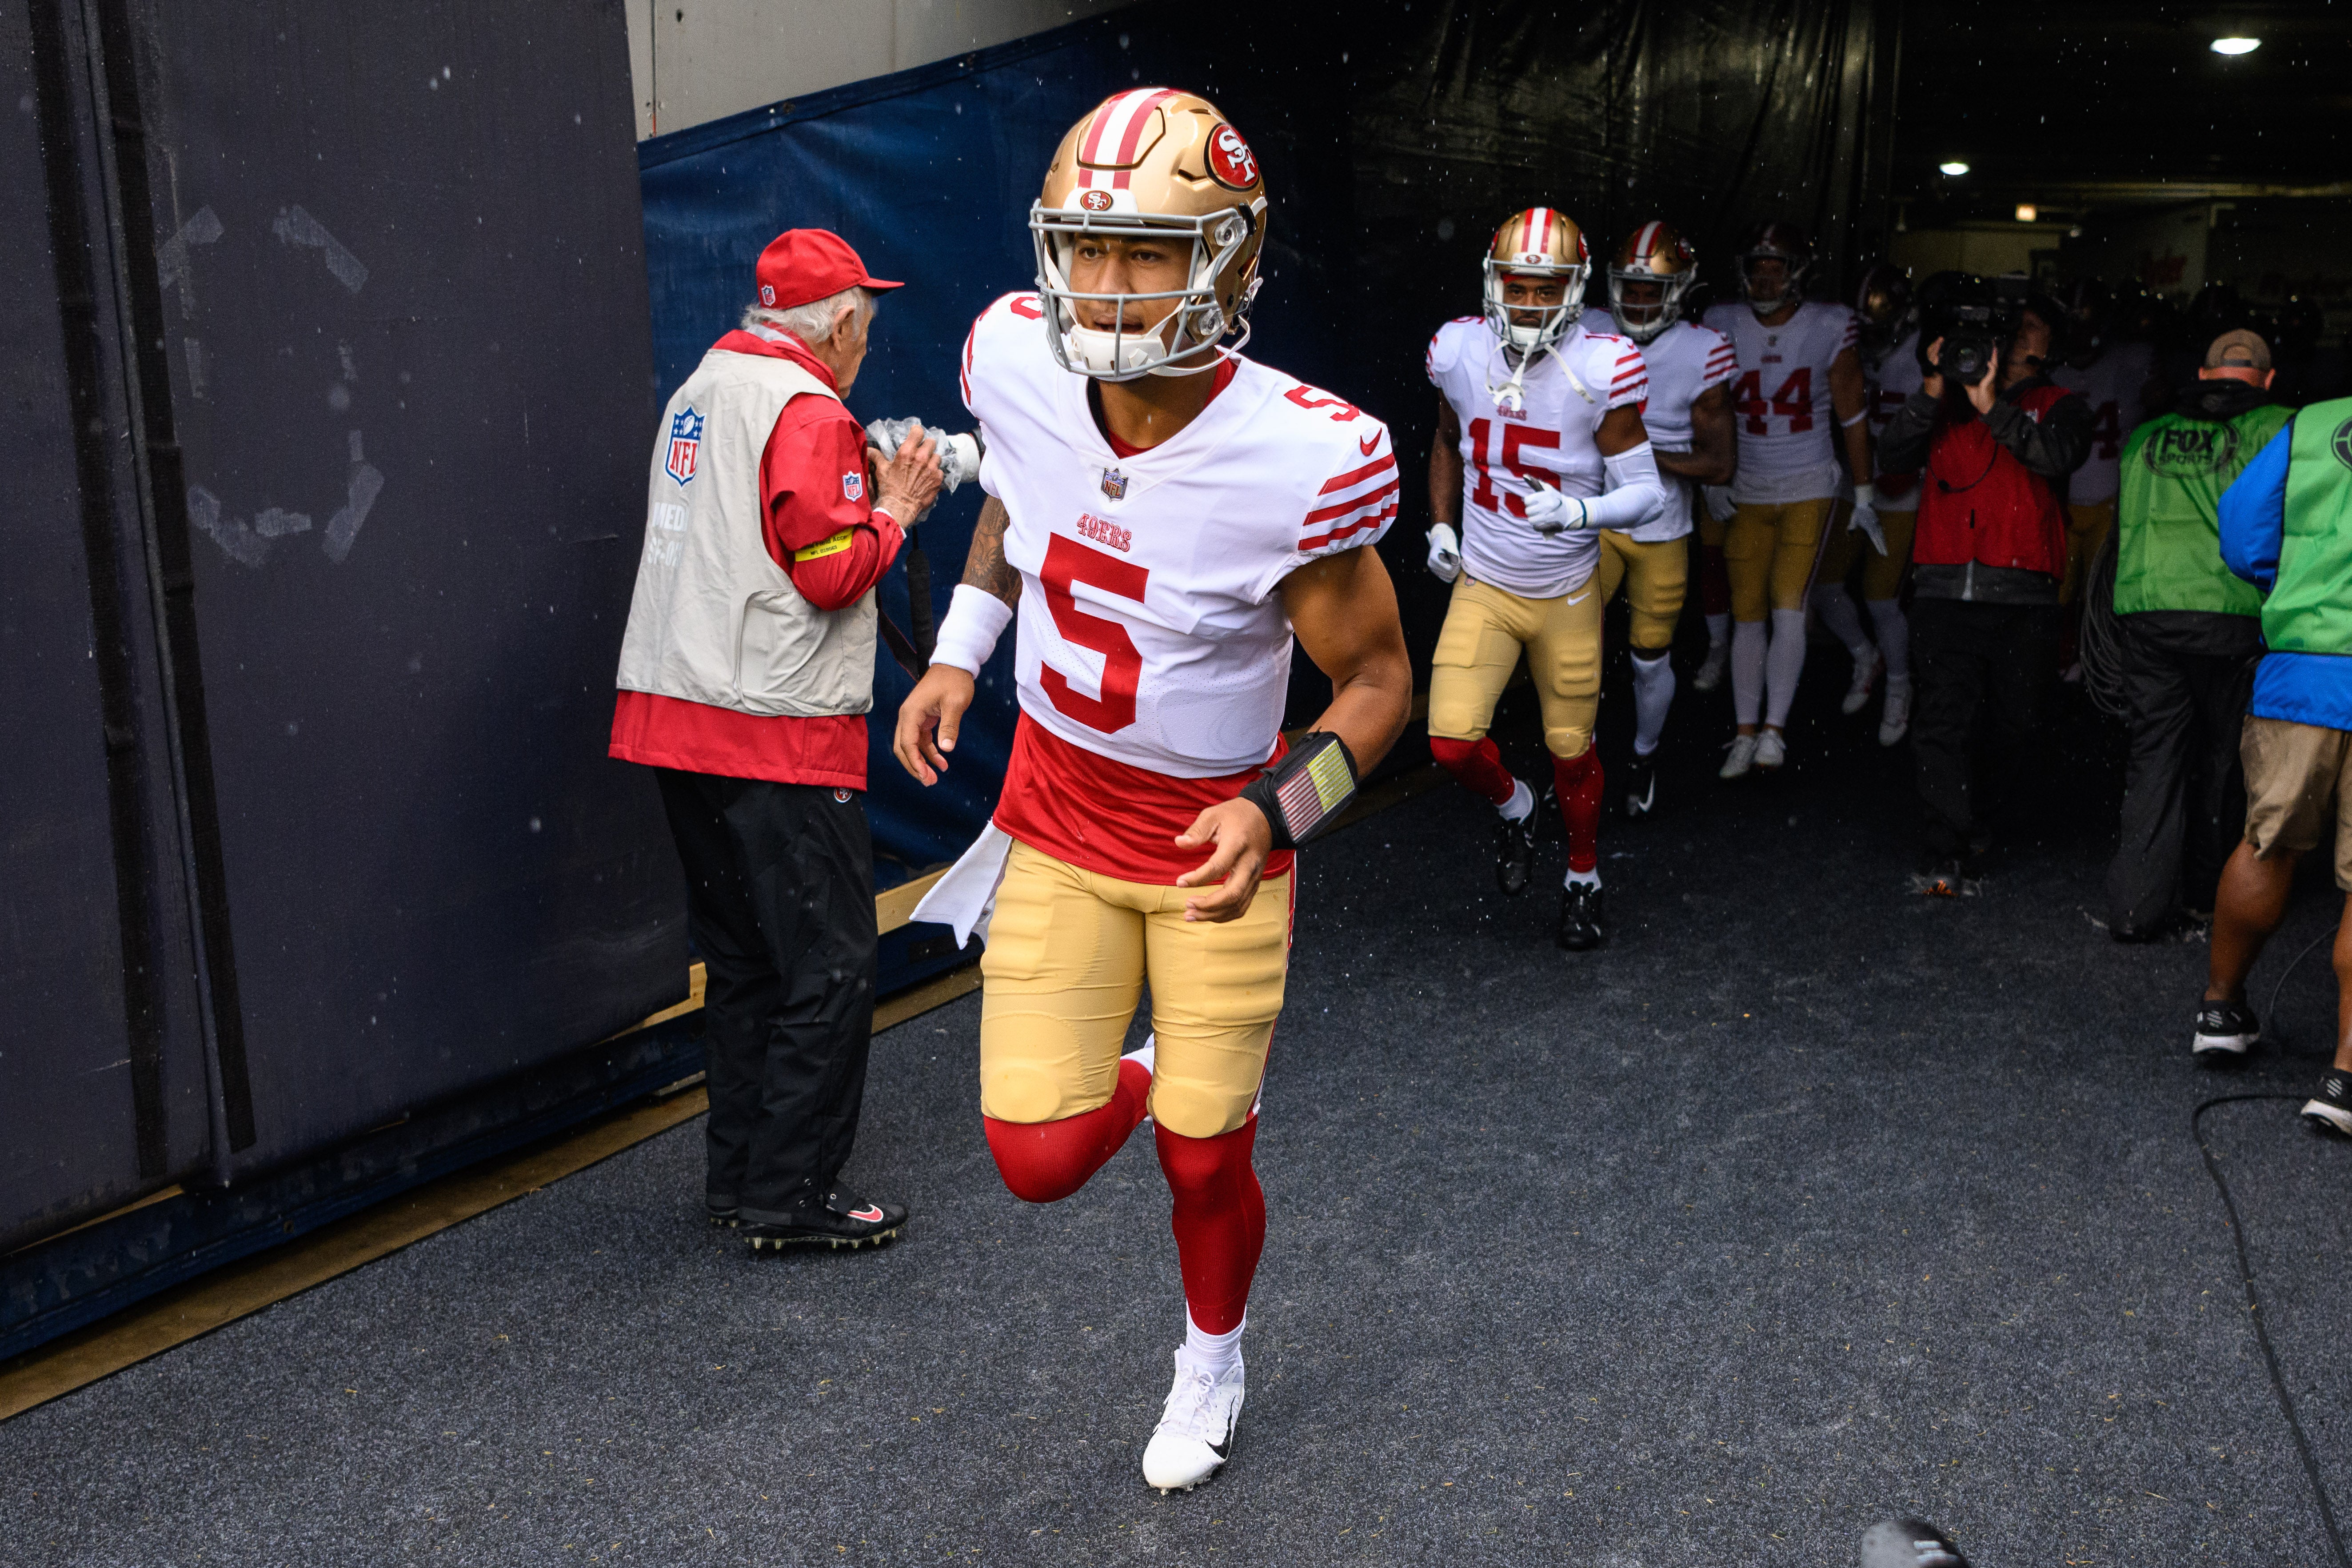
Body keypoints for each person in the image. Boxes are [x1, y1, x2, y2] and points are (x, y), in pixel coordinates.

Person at [893, 89, 1413, 1490]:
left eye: (1152, 255)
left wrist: (1276, 811)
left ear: (1236, 263)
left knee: (1199, 1165)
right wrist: (962, 648)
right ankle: (1156, 1074)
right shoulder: (1015, 357)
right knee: (1038, 1157)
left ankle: (1212, 1358)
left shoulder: (1299, 458)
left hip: (1208, 844)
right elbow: (1020, 495)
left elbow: (1376, 685)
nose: (1110, 293)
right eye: (1088, 250)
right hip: (1057, 815)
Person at [609, 230, 944, 1251]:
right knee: (833, 964)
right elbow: (832, 570)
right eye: (866, 327)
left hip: (676, 723)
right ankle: (793, 1194)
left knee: (749, 963)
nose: (869, 346)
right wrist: (897, 508)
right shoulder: (805, 407)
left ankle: (745, 1178)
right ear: (839, 324)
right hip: (777, 734)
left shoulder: (700, 389)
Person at [1423, 206, 1670, 946]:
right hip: (1485, 583)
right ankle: (1513, 804)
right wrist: (1441, 524)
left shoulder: (1601, 365)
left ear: (1572, 290)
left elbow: (1648, 491)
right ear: (1492, 283)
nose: (1528, 302)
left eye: (1544, 288)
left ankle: (1583, 874)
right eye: (1517, 286)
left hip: (1564, 590)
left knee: (1572, 747)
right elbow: (1443, 439)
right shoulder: (1460, 351)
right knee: (1449, 743)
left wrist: (1580, 510)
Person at [1876, 275, 2092, 885]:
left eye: (2027, 328)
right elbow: (1889, 457)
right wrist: (1933, 387)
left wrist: (1992, 405)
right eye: (2007, 326)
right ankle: (1946, 842)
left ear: (2047, 344)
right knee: (1943, 720)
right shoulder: (1940, 405)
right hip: (1944, 586)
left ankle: (1978, 819)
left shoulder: (2062, 404)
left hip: (2023, 594)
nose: (2012, 336)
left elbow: (2053, 457)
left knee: (2014, 723)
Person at [2103, 329, 2288, 941]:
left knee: (2154, 757)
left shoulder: (2146, 434)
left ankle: (2134, 908)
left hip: (2147, 611)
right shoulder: (2282, 429)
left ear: (2205, 376)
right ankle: (2210, 903)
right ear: (2266, 380)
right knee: (2225, 763)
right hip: (2231, 615)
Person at [2205, 381, 2352, 1135]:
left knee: (2268, 838)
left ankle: (2220, 1008)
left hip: (2300, 669)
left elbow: (2240, 532)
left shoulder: (2311, 425)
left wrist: (2294, 587)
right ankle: (2344, 1076)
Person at [1699, 221, 1873, 776]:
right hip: (1747, 483)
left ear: (1798, 274)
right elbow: (1704, 407)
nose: (1766, 277)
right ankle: (1745, 731)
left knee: (1787, 603)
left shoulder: (1828, 324)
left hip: (1807, 483)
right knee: (1747, 610)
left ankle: (1775, 729)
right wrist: (1713, 474)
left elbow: (1853, 415)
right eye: (1758, 266)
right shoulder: (1721, 322)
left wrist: (1863, 491)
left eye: (1777, 267)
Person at [1604, 220, 1737, 814]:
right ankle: (1573, 758)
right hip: (1595, 520)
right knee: (1570, 645)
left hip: (1660, 527)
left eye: (1649, 291)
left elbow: (1718, 463)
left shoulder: (1702, 351)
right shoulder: (1586, 331)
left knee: (1648, 655)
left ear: (1678, 292)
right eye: (1628, 289)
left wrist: (1637, 451)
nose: (1635, 301)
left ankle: (1643, 753)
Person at [1809, 260, 1921, 745]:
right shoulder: (1846, 347)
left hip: (1899, 488)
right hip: (1855, 481)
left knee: (1880, 598)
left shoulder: (1919, 357)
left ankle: (1899, 684)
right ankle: (1864, 656)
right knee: (1825, 587)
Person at [2050, 279, 2165, 674]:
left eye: (2084, 325)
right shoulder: (2055, 371)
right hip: (2065, 499)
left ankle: (2093, 661)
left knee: (2099, 594)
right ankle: (2068, 655)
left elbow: (2160, 401)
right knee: (2059, 593)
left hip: (2109, 499)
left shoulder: (2130, 362)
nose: (2077, 335)